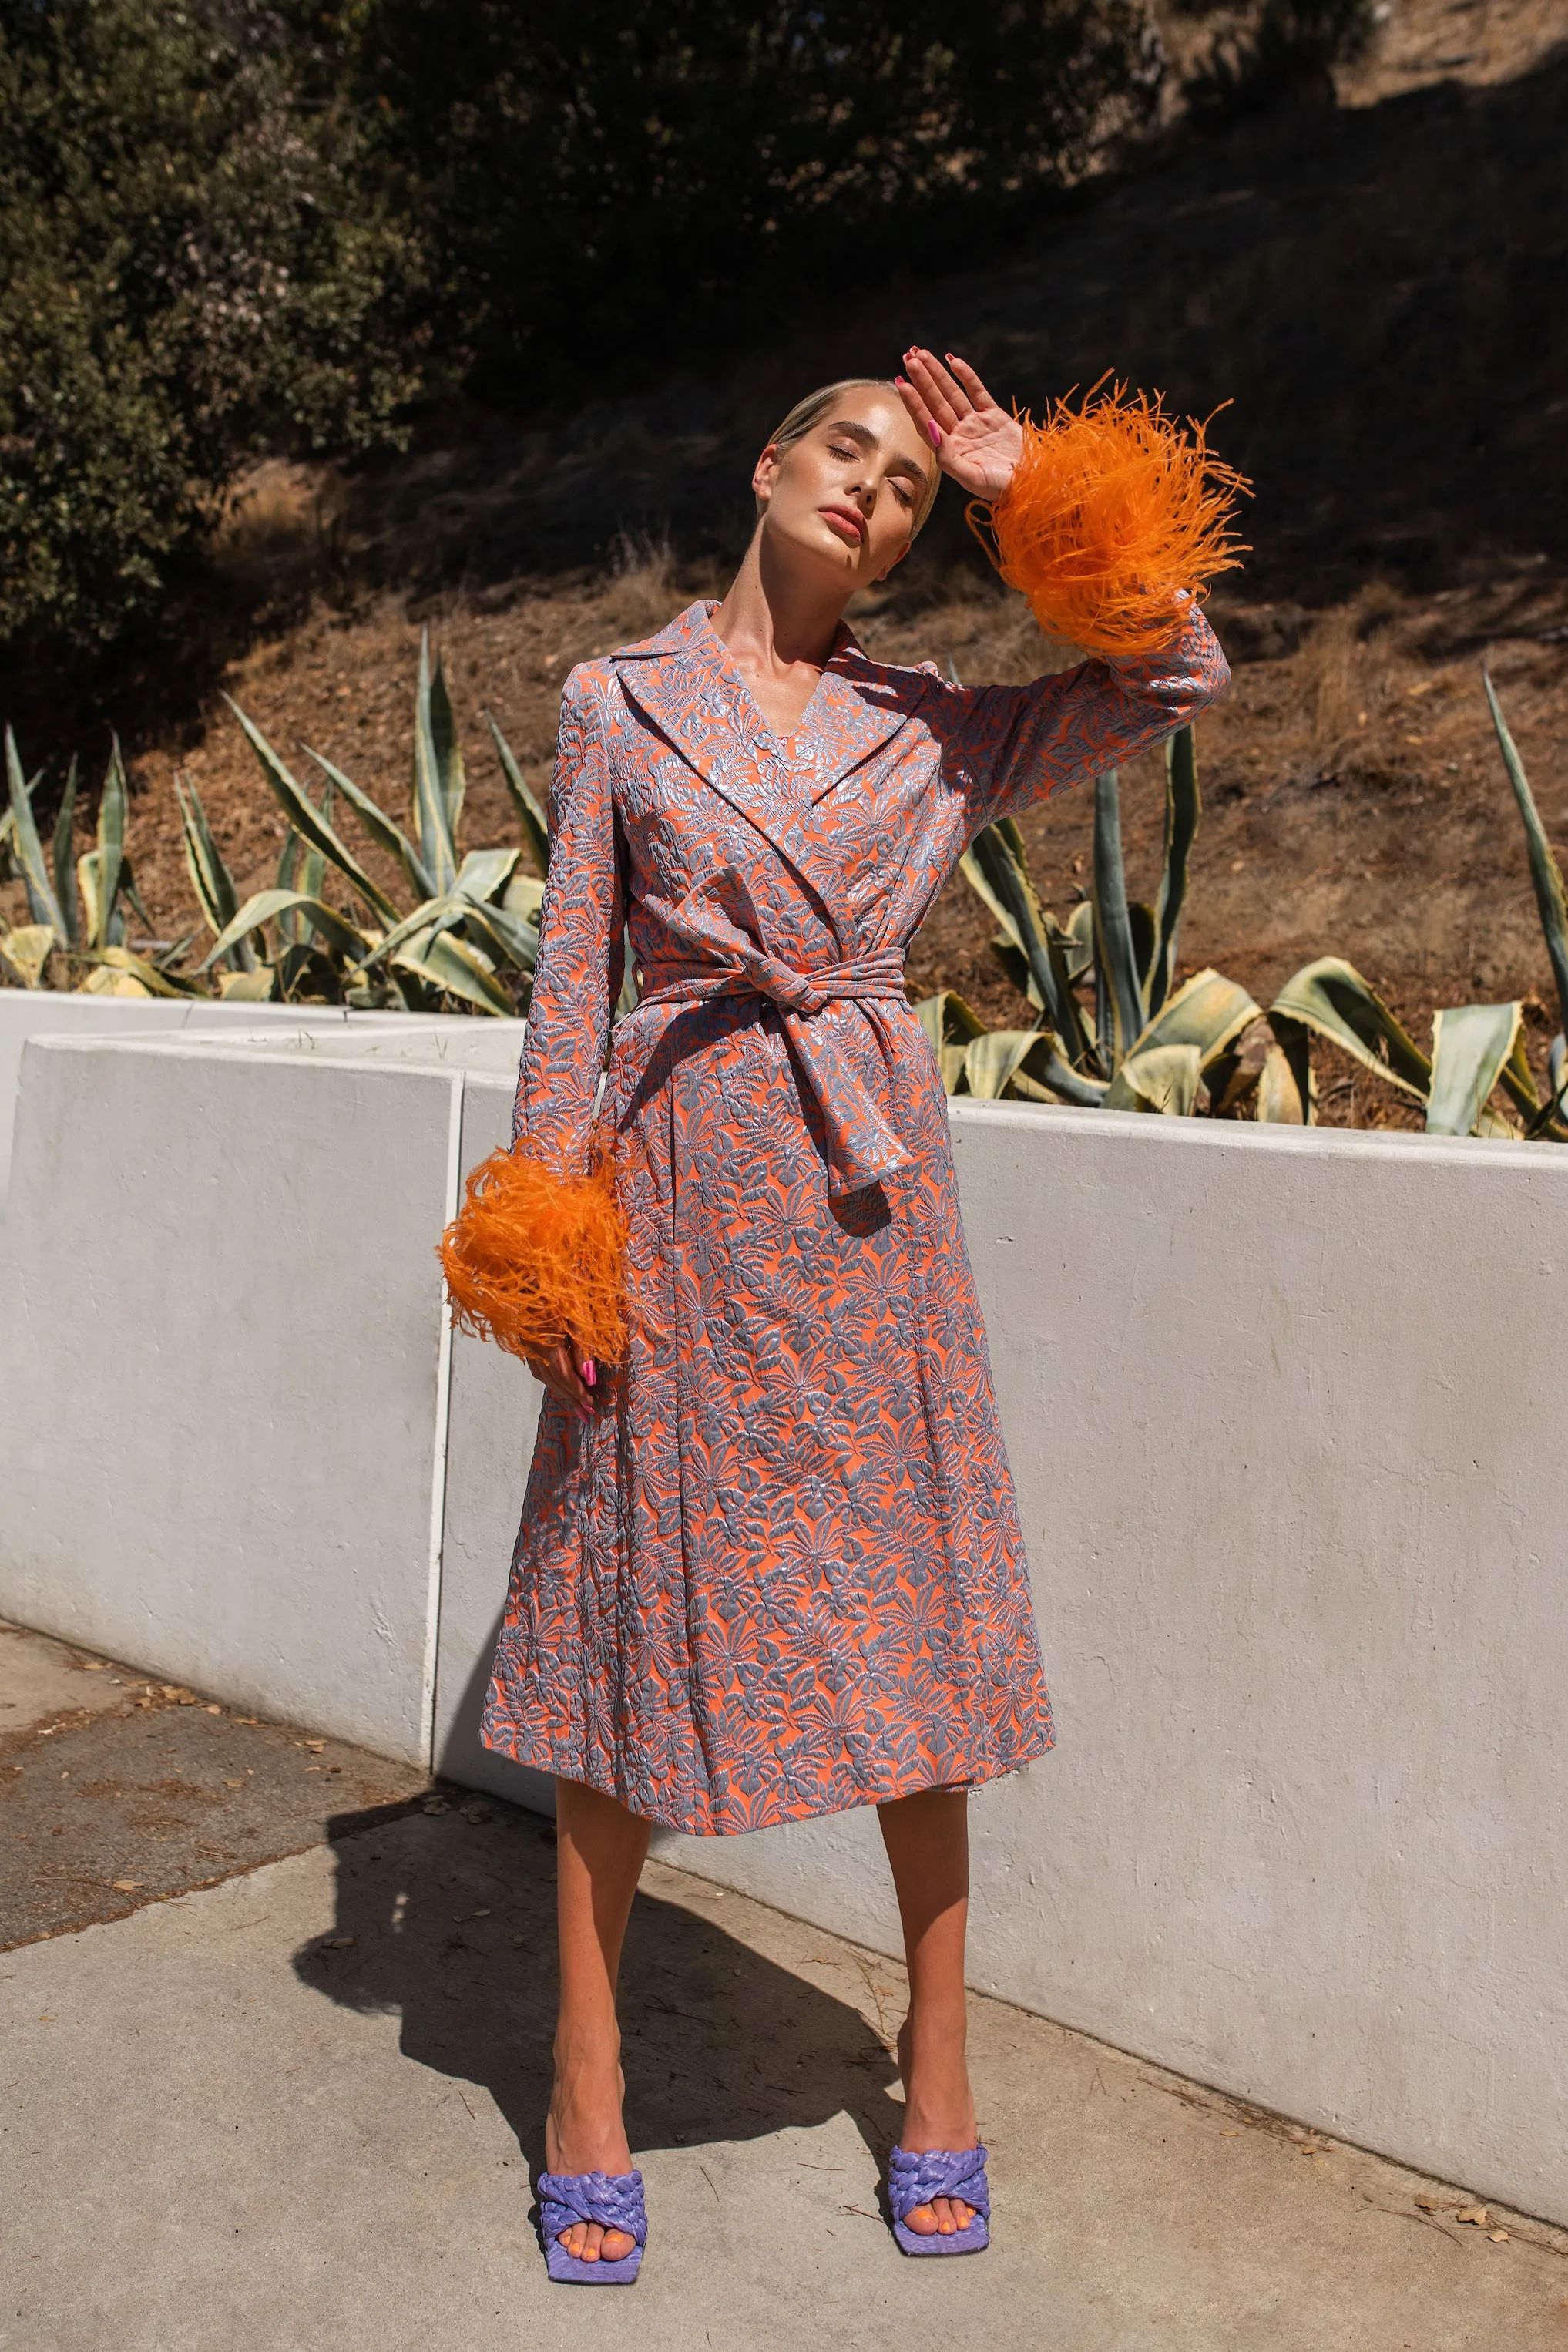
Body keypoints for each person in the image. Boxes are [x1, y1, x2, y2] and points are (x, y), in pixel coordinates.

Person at [469, 348, 1231, 2280]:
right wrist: (554, 1231)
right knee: (622, 1611)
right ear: (770, 460)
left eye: (908, 486)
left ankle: (943, 2052)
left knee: (914, 1615)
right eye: (850, 450)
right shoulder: (616, 702)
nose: (873, 491)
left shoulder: (936, 728)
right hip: (674, 1200)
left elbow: (1175, 671)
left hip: (870, 1209)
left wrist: (1030, 484)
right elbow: (572, 981)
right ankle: (585, 2064)